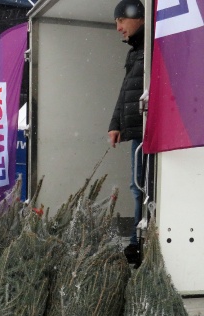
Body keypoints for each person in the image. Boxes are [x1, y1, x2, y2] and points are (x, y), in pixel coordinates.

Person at [108, 0, 145, 264]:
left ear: (137, 17)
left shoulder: (154, 45)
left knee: (143, 187)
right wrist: (116, 124)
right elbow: (126, 90)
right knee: (137, 187)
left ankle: (139, 242)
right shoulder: (136, 50)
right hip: (138, 132)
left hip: (151, 131)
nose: (119, 28)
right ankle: (137, 241)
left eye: (121, 20)